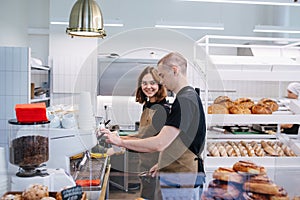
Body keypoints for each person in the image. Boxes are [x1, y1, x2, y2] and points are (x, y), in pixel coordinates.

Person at [103, 52, 206, 199]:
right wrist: (163, 163)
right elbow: (182, 140)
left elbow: (160, 143)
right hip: (176, 174)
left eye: (162, 76)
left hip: (182, 178)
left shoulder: (185, 100)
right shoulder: (187, 97)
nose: (162, 82)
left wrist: (120, 142)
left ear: (175, 70)